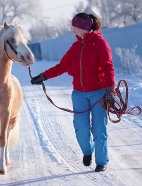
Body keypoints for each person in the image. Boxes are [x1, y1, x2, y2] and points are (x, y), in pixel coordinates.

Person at [31, 12, 115, 172]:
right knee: (81, 129)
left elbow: (108, 67)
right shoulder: (75, 47)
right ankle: (88, 151)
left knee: (99, 128)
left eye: (75, 27)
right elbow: (62, 66)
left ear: (84, 27)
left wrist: (110, 88)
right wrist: (43, 76)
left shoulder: (100, 44)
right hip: (79, 94)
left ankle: (101, 161)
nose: (73, 30)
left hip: (98, 93)